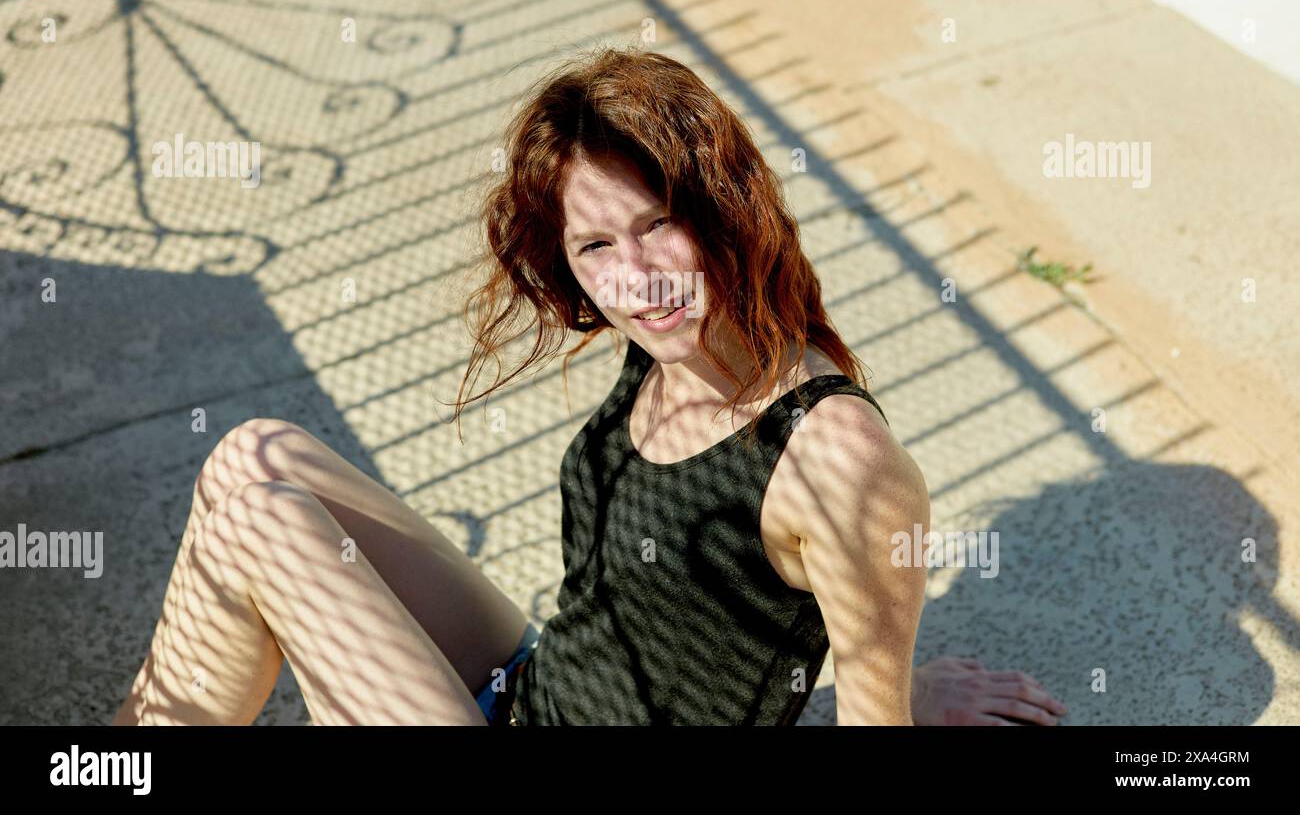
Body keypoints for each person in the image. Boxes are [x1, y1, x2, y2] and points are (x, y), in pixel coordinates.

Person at [111, 46, 1067, 726]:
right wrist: (905, 690)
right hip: (538, 687)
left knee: (258, 525)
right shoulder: (668, 344)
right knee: (256, 456)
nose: (637, 279)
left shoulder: (837, 458)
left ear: (725, 208)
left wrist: (886, 696)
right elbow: (699, 642)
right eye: (597, 245)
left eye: (658, 226)